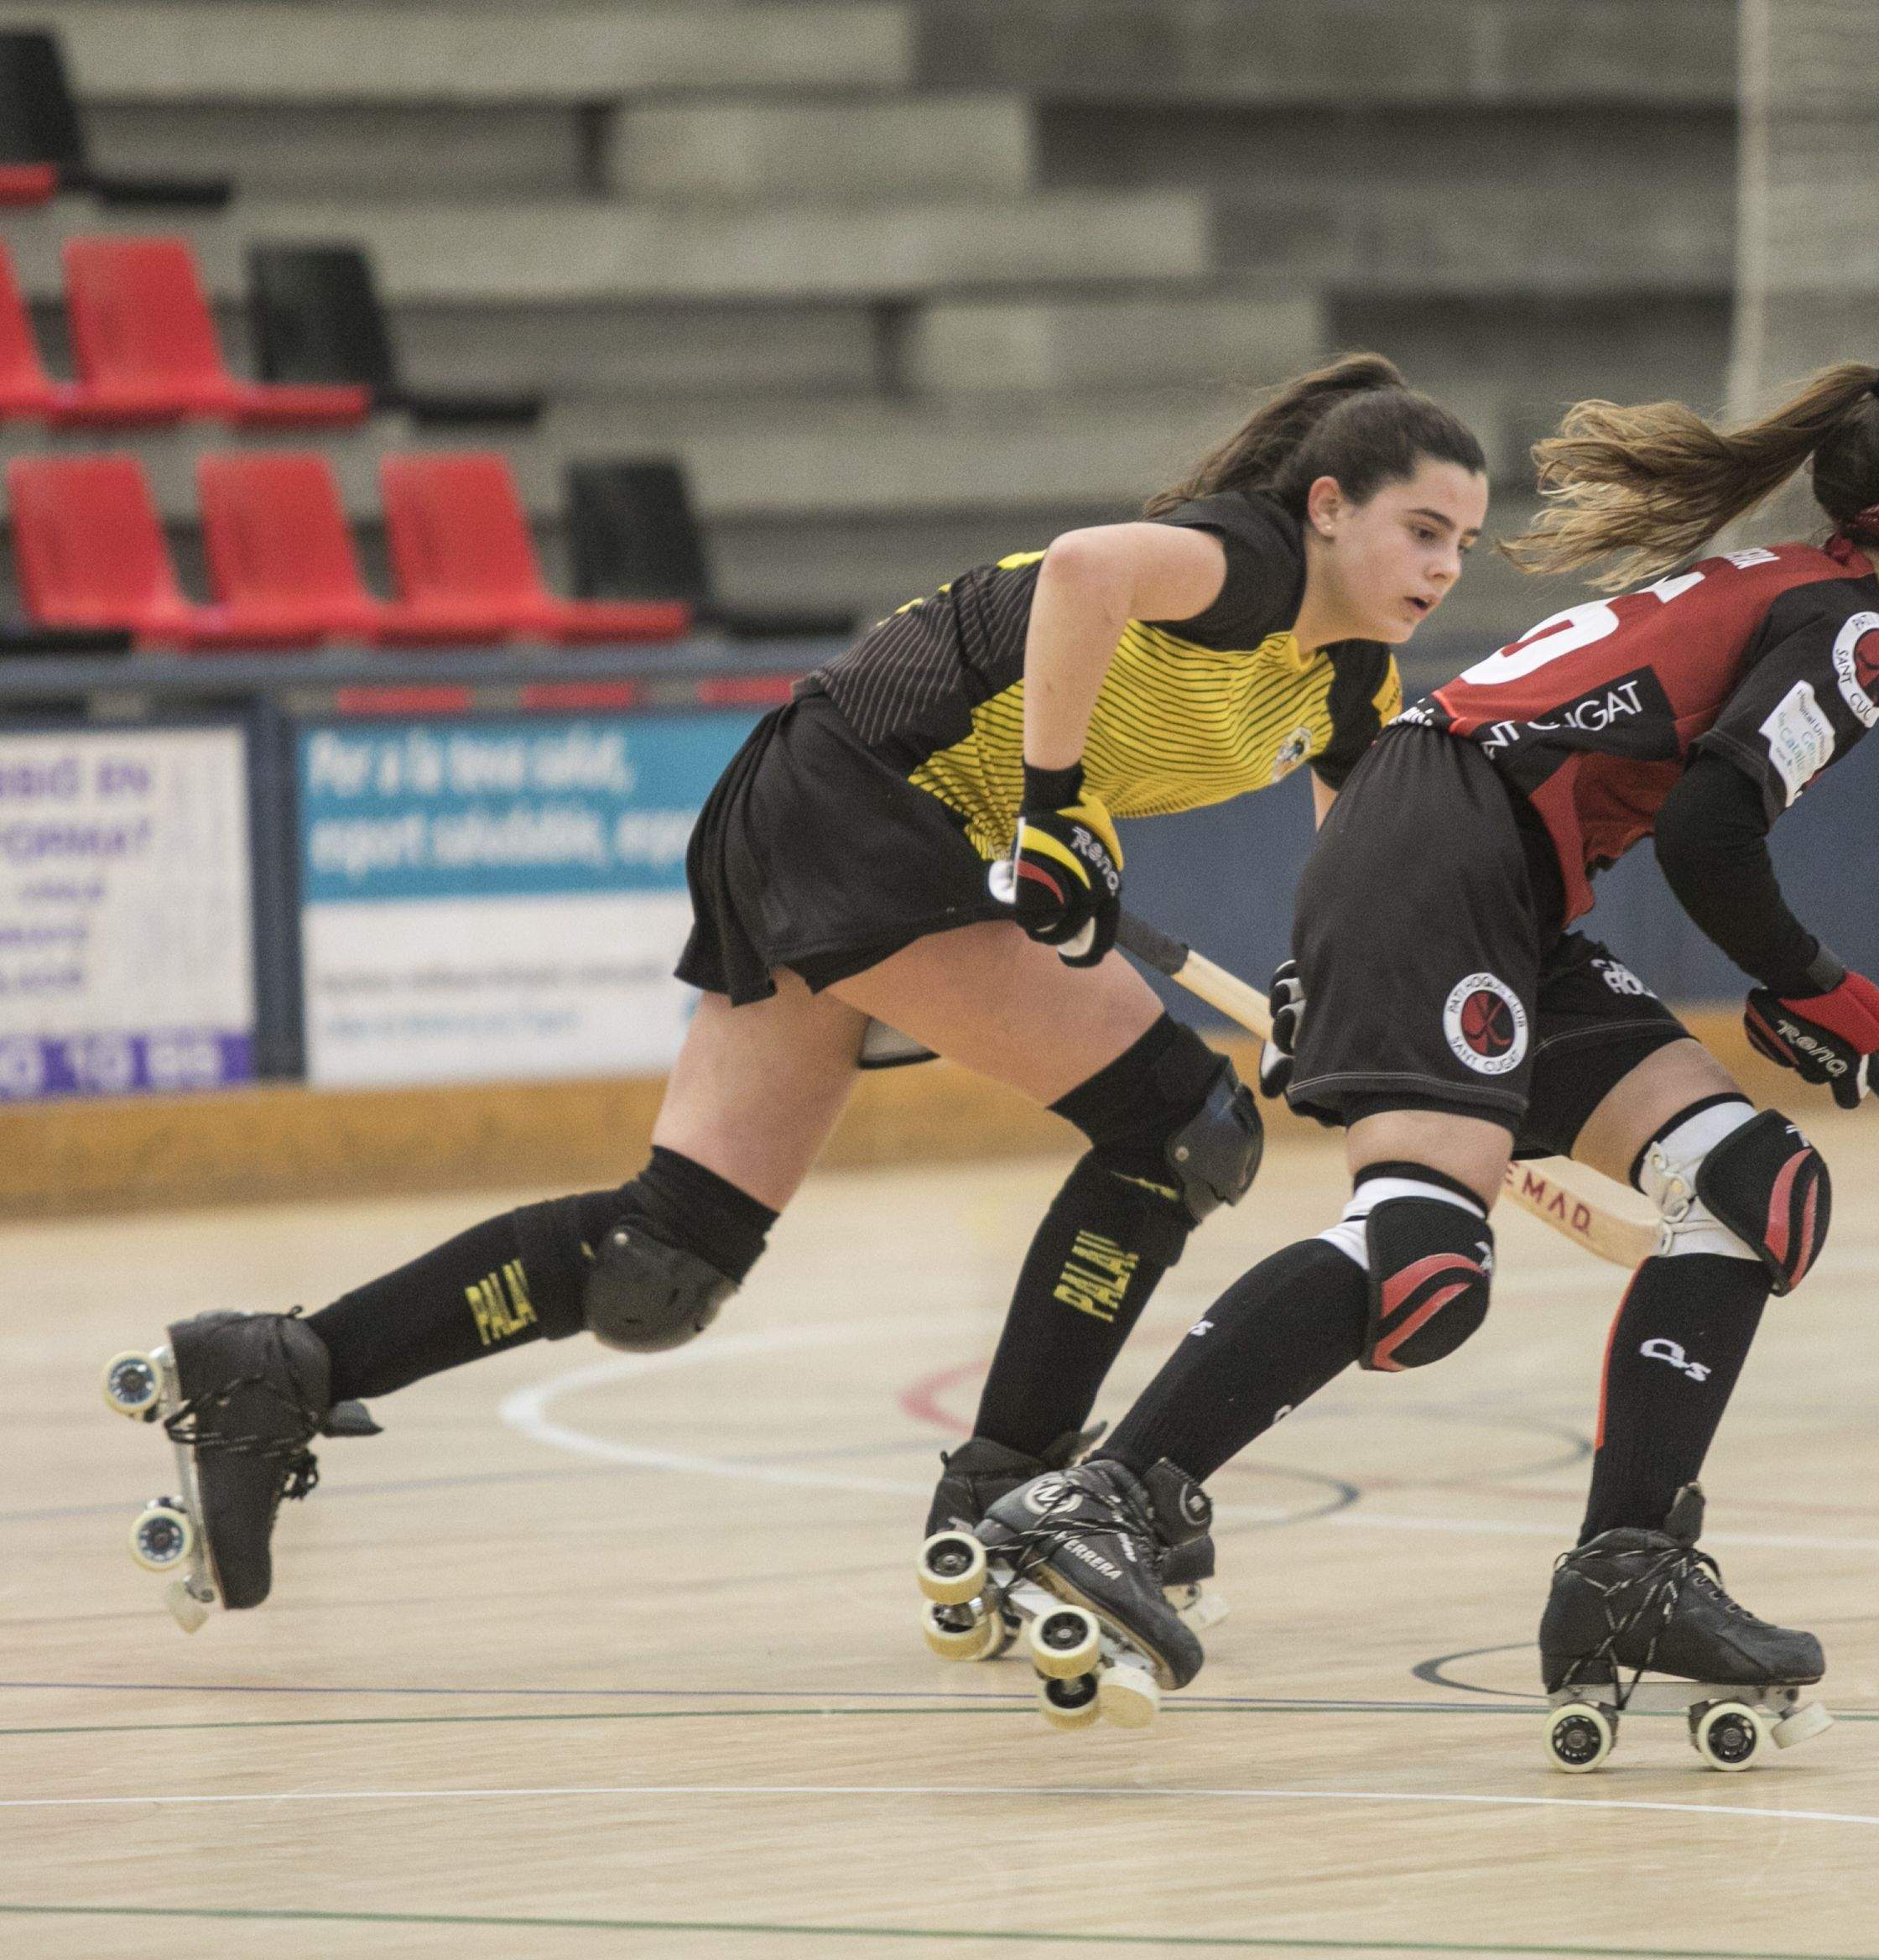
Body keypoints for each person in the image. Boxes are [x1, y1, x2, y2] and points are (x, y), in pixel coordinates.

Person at [107, 356, 1491, 1619]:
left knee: (667, 1259)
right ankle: (1016, 1498)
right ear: (1323, 507)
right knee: (1182, 1126)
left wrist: (1328, 978)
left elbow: (1352, 836)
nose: (1444, 566)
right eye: (1421, 530)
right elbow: (1082, 571)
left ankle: (277, 1368)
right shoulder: (1241, 562)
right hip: (869, 805)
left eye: (1465, 545)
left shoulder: (1350, 676)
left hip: (836, 810)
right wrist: (1055, 808)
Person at [971, 362, 1879, 1716]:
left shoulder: (1799, 595)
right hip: (1450, 848)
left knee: (1751, 1190)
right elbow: (1715, 836)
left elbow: (1695, 822)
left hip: (1482, 866)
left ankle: (1628, 1569)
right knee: (1423, 1255)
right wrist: (1811, 979)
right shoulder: (1847, 632)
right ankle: (1097, 1498)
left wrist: (1789, 990)